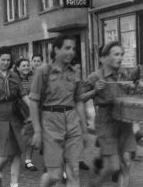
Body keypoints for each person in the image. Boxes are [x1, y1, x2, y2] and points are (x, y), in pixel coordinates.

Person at [81, 41, 143, 187]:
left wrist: (138, 87)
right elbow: (79, 97)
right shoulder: (95, 76)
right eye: (116, 54)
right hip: (106, 123)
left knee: (127, 162)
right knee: (113, 167)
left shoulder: (125, 74)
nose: (120, 58)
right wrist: (95, 90)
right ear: (105, 57)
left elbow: (133, 94)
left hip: (125, 122)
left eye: (122, 54)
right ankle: (94, 184)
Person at [29, 34, 87, 187]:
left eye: (73, 49)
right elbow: (33, 102)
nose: (71, 52)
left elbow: (79, 101)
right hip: (50, 123)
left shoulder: (75, 72)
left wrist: (85, 129)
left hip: (72, 122)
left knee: (74, 171)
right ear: (56, 49)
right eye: (67, 48)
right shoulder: (43, 71)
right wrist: (37, 131)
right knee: (55, 175)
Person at [0, 46, 29, 187]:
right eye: (3, 59)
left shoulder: (15, 76)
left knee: (17, 151)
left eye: (8, 60)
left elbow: (23, 95)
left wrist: (33, 110)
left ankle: (14, 183)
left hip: (15, 117)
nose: (5, 62)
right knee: (3, 154)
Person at [13, 58, 38, 172]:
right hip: (17, 110)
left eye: (27, 65)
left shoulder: (33, 78)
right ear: (17, 67)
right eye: (23, 65)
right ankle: (14, 156)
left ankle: (28, 160)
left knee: (30, 134)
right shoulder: (13, 79)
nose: (26, 67)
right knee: (17, 135)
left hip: (30, 109)